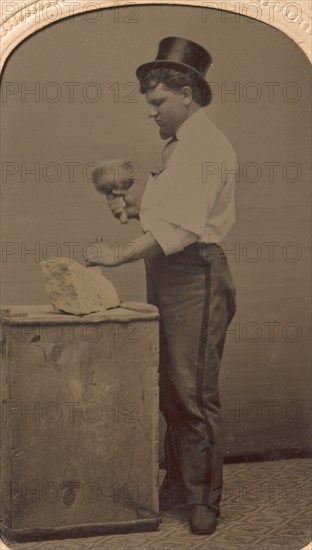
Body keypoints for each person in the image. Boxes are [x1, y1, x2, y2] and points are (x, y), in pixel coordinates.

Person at [86, 37, 237, 535]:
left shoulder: (206, 147)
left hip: (197, 274)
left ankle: (204, 499)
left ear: (188, 93)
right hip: (172, 273)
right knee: (171, 386)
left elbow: (181, 230)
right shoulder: (178, 147)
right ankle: (179, 483)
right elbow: (162, 217)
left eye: (158, 103)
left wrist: (116, 254)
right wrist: (130, 211)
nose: (151, 113)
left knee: (193, 390)